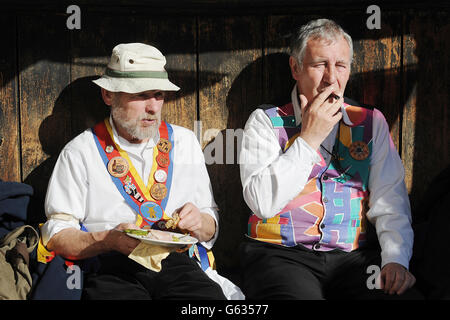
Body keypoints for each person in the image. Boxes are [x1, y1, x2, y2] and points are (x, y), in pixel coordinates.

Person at [39, 43, 240, 300]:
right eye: (141, 95)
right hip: (110, 266)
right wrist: (107, 240)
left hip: (178, 265)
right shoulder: (80, 151)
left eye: (158, 94)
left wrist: (200, 222)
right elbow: (56, 235)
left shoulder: (185, 141)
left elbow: (210, 226)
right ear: (108, 95)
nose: (153, 107)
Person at [239, 19, 421, 299]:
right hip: (280, 255)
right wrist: (309, 137)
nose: (331, 78)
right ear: (295, 68)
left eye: (341, 65)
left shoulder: (370, 122)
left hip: (353, 259)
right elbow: (263, 203)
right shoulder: (266, 121)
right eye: (319, 64)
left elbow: (390, 199)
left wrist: (395, 259)